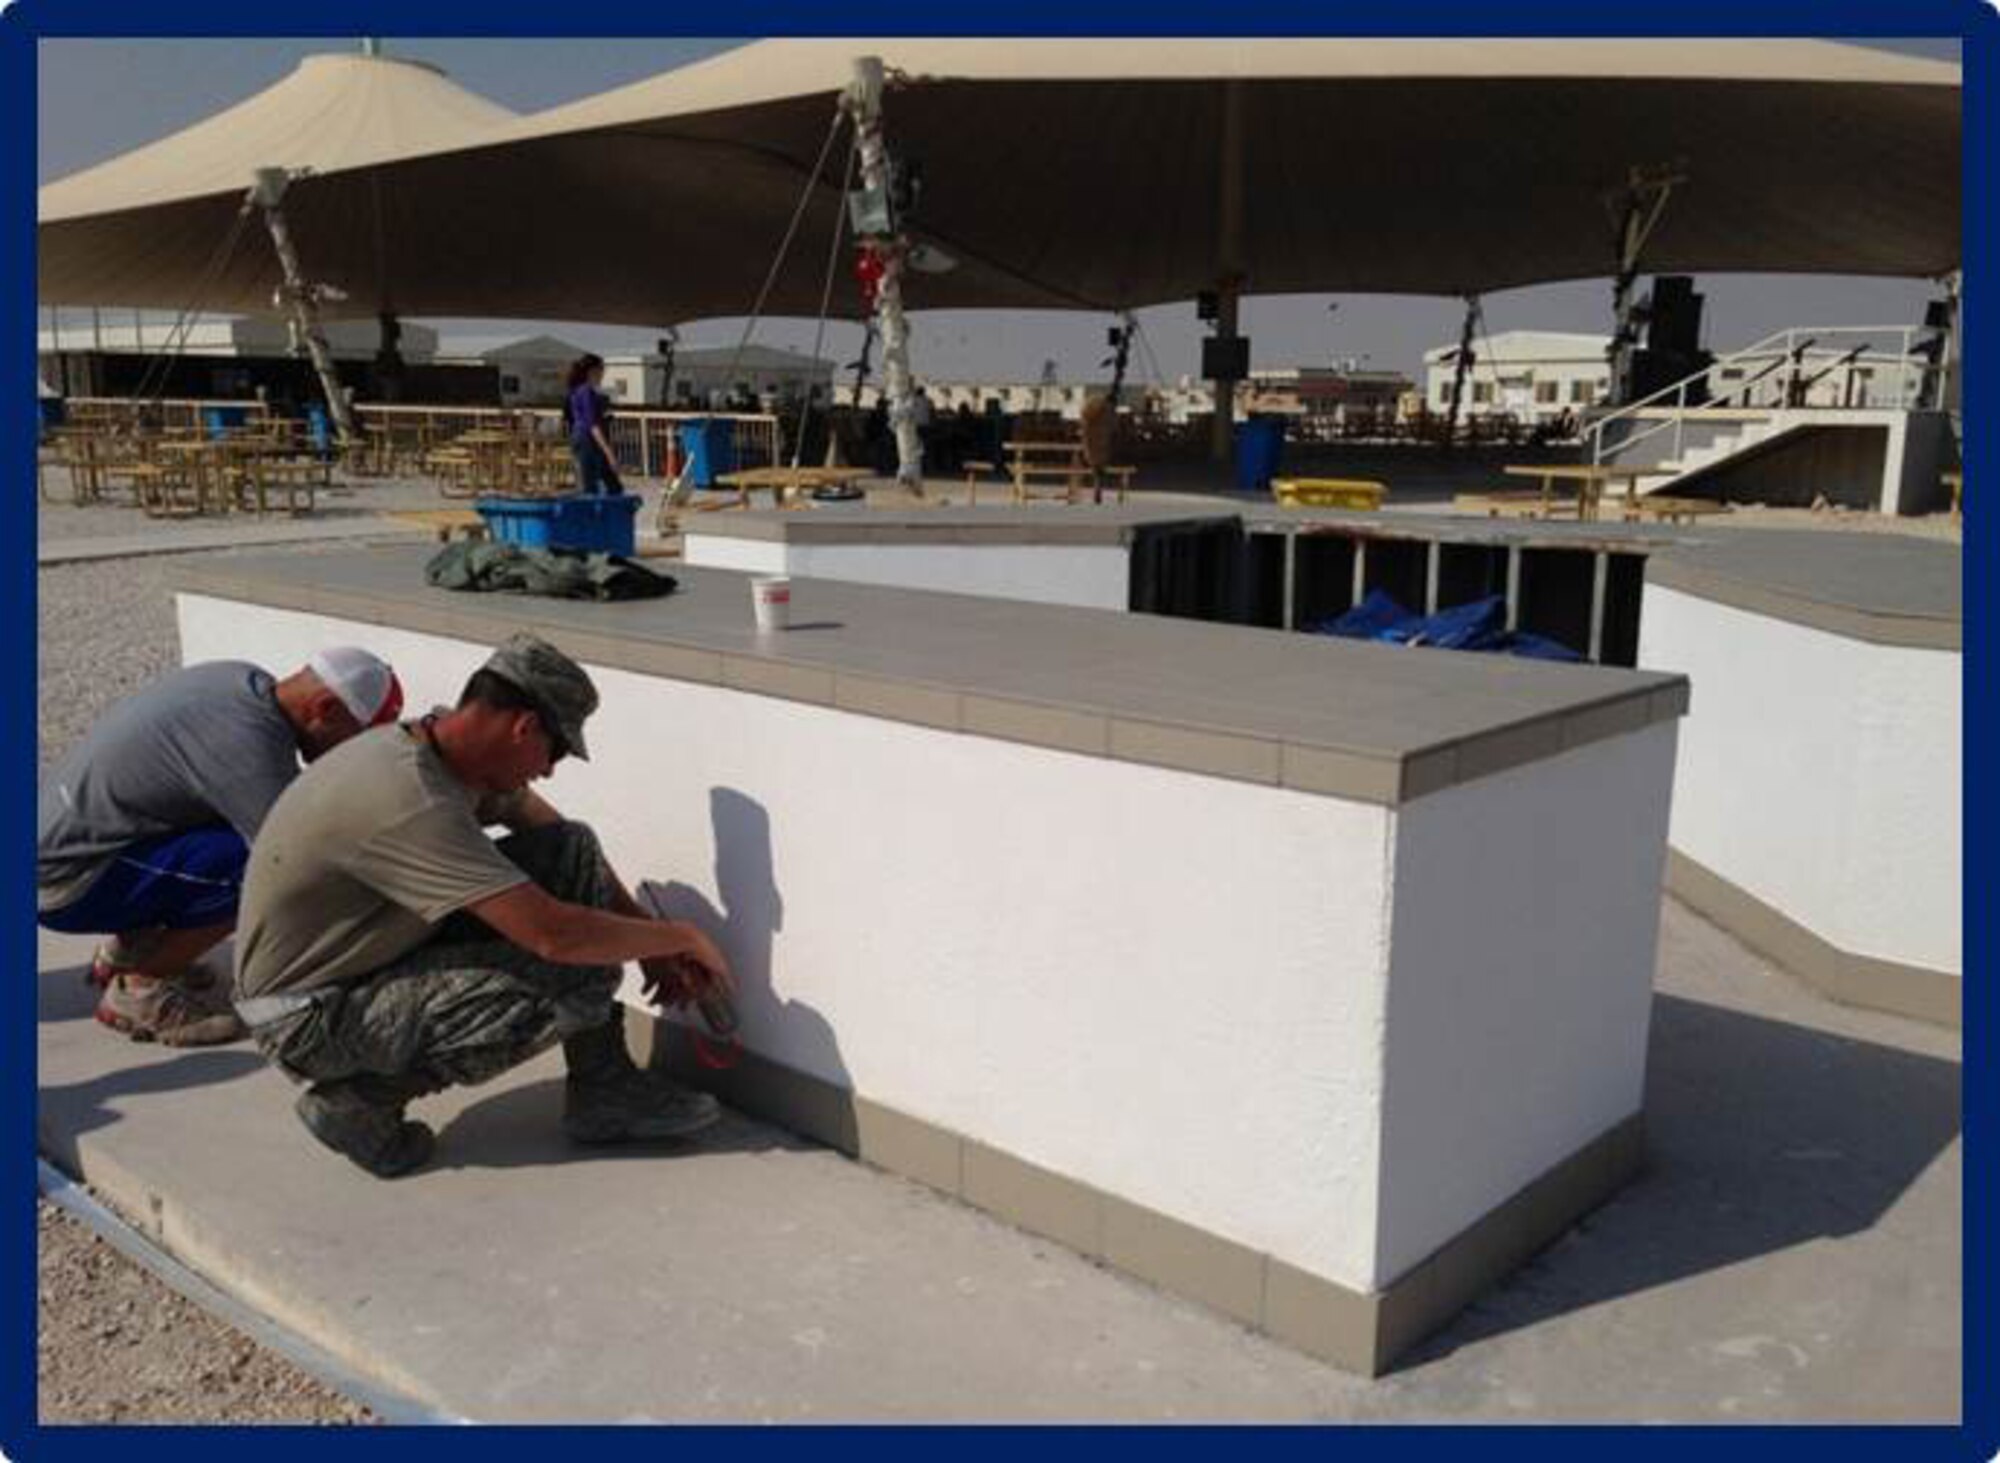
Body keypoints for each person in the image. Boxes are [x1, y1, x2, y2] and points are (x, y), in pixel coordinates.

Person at [232, 635, 734, 1179]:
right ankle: (360, 1103)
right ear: (524, 728)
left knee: (571, 851)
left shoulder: (440, 748)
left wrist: (646, 935)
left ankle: (606, 1090)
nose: (548, 771)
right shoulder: (409, 797)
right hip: (309, 1017)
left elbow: (557, 835)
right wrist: (685, 938)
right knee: (576, 976)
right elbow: (555, 937)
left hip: (360, 961)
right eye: (554, 753)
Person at [39, 648, 403, 1045]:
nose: (351, 753)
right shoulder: (247, 745)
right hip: (66, 884)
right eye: (357, 738)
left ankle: (136, 948)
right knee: (260, 870)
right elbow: (295, 861)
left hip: (75, 846)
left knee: (235, 832)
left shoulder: (239, 682)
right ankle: (140, 989)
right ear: (326, 708)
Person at [562, 354, 626, 496]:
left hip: (580, 437)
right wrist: (609, 453)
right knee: (593, 486)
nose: (603, 374)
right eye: (602, 369)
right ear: (593, 371)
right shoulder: (586, 392)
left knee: (606, 484)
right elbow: (592, 425)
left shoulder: (577, 391)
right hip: (587, 439)